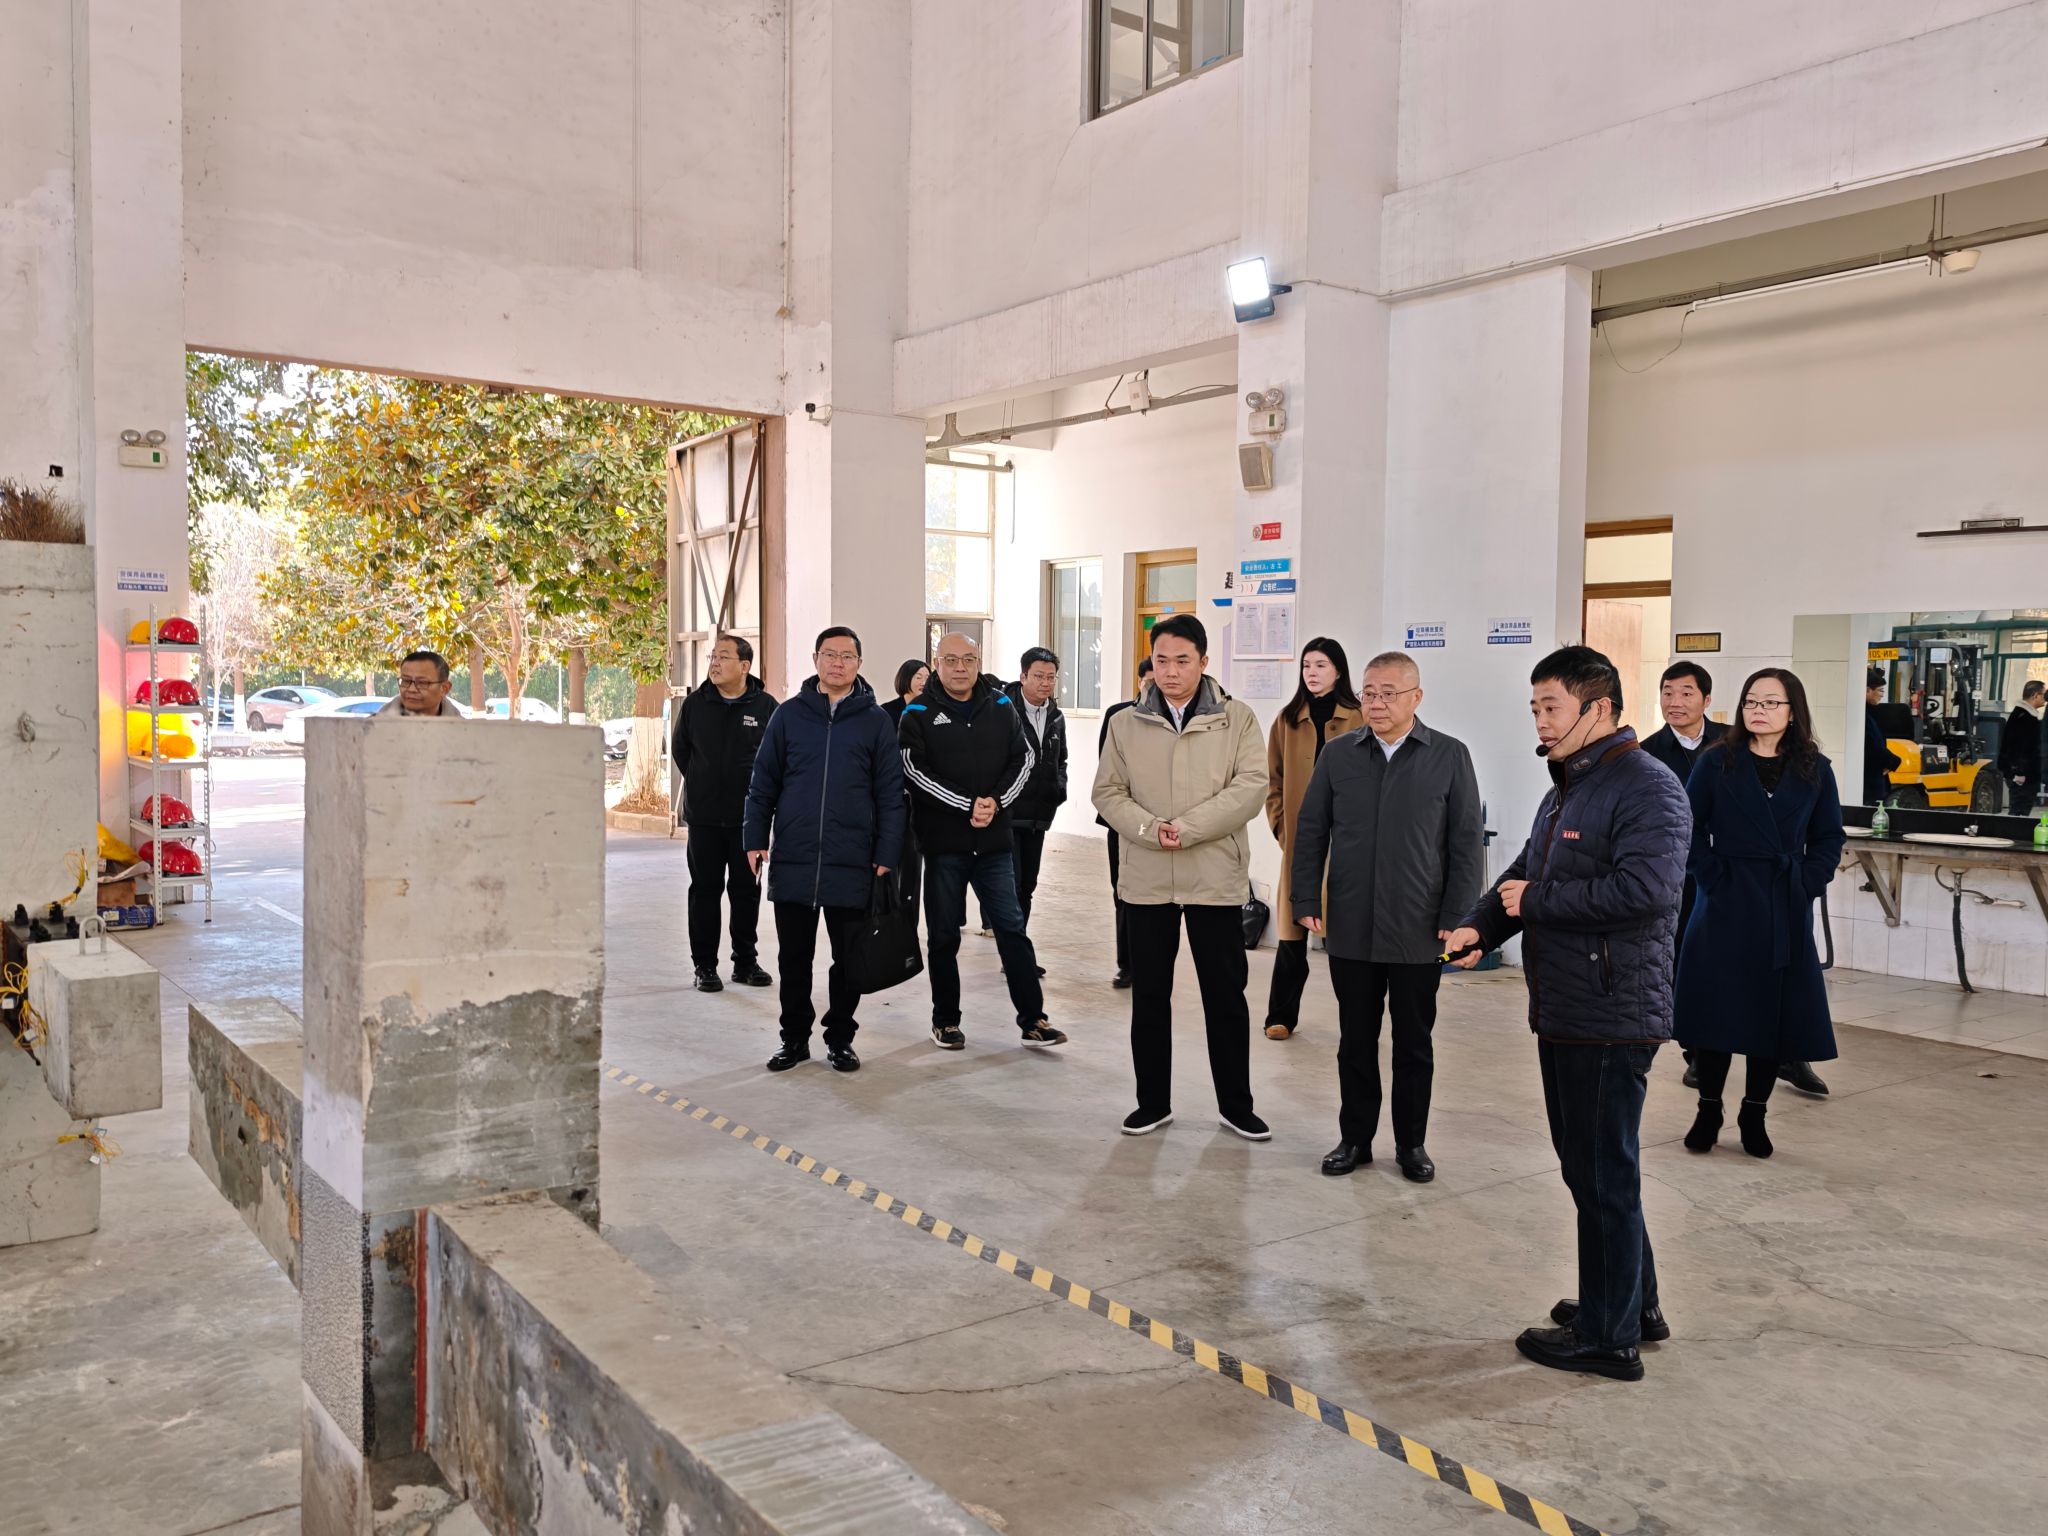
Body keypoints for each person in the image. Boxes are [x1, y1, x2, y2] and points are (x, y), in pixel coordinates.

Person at [1443, 646, 1689, 1382]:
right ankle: (1633, 1305)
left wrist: (1538, 902)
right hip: (1570, 1004)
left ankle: (1608, 1339)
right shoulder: (1570, 786)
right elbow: (1526, 872)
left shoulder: (1648, 785)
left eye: (1552, 707)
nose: (1541, 722)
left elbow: (1647, 891)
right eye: (1535, 709)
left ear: (1599, 708)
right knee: (1595, 1168)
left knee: (1601, 1172)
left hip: (1612, 1010)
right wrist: (1481, 926)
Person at [1292, 651, 1482, 1183]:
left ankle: (1411, 1143)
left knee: (1414, 1044)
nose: (1376, 703)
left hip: (1419, 927)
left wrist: (1458, 914)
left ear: (1416, 698)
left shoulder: (1449, 755)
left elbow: (1466, 842)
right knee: (1354, 1041)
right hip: (1351, 922)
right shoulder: (1338, 754)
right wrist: (1305, 899)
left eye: (1388, 694)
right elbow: (1311, 830)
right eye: (1369, 693)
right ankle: (1354, 1139)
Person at [1093, 614, 1270, 1140]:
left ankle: (1236, 1106)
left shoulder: (1236, 719)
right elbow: (1107, 792)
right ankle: (1152, 1103)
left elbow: (1251, 787)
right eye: (1162, 661)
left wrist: (1186, 829)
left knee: (1225, 995)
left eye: (1183, 661)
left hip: (1213, 878)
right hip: (1147, 879)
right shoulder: (1125, 722)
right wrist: (1150, 829)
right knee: (1149, 993)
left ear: (1204, 662)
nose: (1171, 672)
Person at [1673, 668, 1846, 1159]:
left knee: (1772, 1017)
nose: (1759, 710)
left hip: (1782, 902)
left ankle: (1754, 1112)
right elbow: (1686, 826)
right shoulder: (1717, 762)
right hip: (1723, 902)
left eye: (1771, 703)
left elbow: (1829, 837)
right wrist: (1711, 875)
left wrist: (1807, 882)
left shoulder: (1815, 768)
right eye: (1751, 701)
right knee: (1716, 1011)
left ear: (1793, 712)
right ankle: (1708, 1109)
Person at [743, 626, 904, 1075]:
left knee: (848, 958)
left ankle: (840, 1038)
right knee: (793, 958)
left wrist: (887, 852)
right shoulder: (789, 716)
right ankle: (793, 1039)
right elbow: (762, 782)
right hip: (795, 856)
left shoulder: (875, 722)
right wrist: (754, 838)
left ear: (859, 663)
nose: (838, 663)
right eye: (830, 654)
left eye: (847, 656)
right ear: (815, 659)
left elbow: (891, 794)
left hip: (853, 858)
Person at [898, 633, 1066, 1051]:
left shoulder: (1001, 705)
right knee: (943, 936)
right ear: (936, 663)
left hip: (993, 844)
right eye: (951, 659)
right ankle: (945, 1021)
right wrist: (966, 804)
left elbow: (1024, 758)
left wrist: (997, 801)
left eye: (969, 659)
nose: (961, 667)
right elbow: (914, 772)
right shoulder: (917, 712)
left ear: (978, 662)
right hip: (944, 845)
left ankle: (1033, 1020)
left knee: (1012, 930)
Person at [1262, 639, 1364, 1041]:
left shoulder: (1359, 718)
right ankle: (1280, 1016)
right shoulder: (1287, 720)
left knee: (1347, 942)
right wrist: (1284, 830)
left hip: (1348, 846)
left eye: (1321, 665)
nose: (1312, 672)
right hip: (1301, 844)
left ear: (1338, 671)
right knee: (1291, 937)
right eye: (1306, 665)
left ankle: (1355, 1022)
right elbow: (1272, 782)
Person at [672, 635, 778, 993]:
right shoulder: (695, 704)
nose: (714, 663)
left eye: (723, 657)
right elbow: (682, 750)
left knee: (746, 892)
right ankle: (704, 966)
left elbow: (776, 758)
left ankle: (745, 962)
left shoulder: (766, 707)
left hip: (748, 820)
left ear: (744, 666)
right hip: (704, 818)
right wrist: (703, 781)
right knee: (705, 890)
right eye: (712, 657)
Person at [1639, 661, 1728, 1089]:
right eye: (1667, 692)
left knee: (1733, 964)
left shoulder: (1732, 744)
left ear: (1706, 700)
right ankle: (1697, 1053)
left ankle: (1780, 1053)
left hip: (1726, 871)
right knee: (1682, 964)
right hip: (1674, 875)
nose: (1675, 702)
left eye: (1686, 693)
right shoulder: (1646, 752)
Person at [1004, 647, 1068, 932]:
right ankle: (1013, 946)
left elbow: (1061, 759)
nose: (1045, 683)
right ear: (1023, 676)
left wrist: (1058, 789)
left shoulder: (1056, 717)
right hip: (1008, 814)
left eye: (1051, 677)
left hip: (1039, 814)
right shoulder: (1003, 712)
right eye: (1039, 676)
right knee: (1012, 885)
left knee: (1028, 885)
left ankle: (1019, 941)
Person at [1097, 657, 1151, 988]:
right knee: (1123, 891)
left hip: (1159, 822)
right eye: (1149, 680)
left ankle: (1147, 963)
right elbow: (1108, 769)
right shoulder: (1118, 716)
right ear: (1139, 681)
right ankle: (1126, 965)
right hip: (1122, 820)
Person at [1996, 679, 2044, 815]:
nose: (2045, 698)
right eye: (2043, 694)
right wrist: (2019, 773)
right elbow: (2016, 747)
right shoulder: (2023, 717)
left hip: (2026, 775)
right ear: (2035, 695)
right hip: (2021, 777)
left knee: (2021, 811)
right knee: (2019, 812)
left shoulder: (2026, 715)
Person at [378, 651, 464, 717]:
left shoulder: (462, 729)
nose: (411, 689)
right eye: (406, 681)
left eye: (422, 683)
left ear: (444, 688)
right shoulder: (376, 726)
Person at [1863, 668, 1903, 805]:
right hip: (1870, 782)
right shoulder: (1863, 717)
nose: (1882, 695)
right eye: (1880, 690)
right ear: (1867, 690)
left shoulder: (1868, 714)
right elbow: (1873, 745)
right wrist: (1893, 761)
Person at [884, 659, 929, 727]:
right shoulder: (887, 711)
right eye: (918, 677)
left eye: (927, 678)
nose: (924, 683)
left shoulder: (932, 709)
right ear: (905, 679)